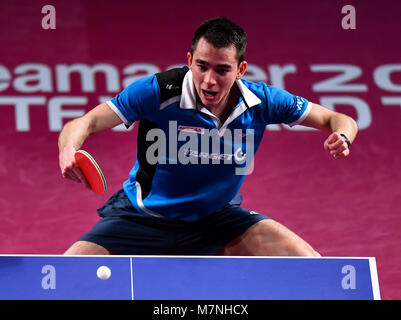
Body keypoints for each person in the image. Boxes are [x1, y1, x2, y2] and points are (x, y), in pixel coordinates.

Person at [58, 17, 358, 256]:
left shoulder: (263, 101)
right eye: (201, 66)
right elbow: (88, 121)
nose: (210, 80)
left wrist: (342, 136)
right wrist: (69, 148)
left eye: (222, 70)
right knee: (69, 276)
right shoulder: (158, 92)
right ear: (189, 60)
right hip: (142, 217)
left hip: (217, 220)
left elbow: (337, 119)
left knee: (310, 266)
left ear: (240, 70)